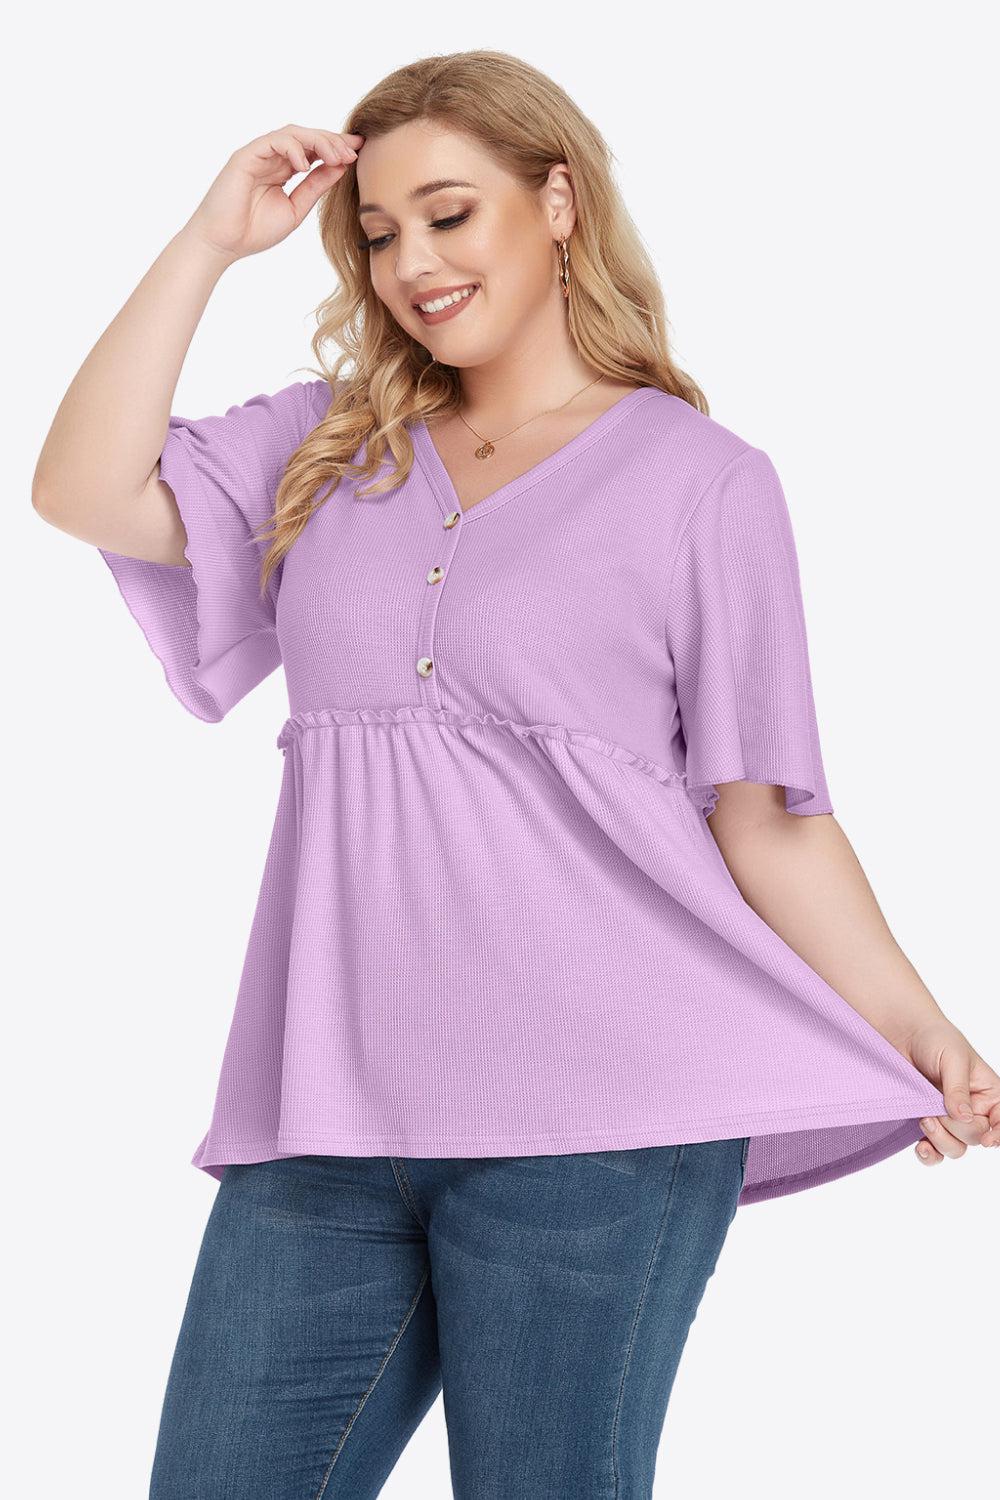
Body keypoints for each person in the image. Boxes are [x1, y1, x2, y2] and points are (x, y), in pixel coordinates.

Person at [32, 49, 997, 1500]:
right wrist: (209, 242)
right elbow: (81, 489)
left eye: (449, 214)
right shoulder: (328, 446)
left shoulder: (703, 482)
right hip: (328, 1111)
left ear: (557, 202)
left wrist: (919, 1025)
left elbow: (767, 817)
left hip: (602, 1123)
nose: (413, 263)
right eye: (380, 234)